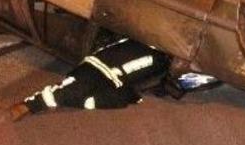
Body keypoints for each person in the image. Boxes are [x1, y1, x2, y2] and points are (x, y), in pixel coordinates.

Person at [10, 37, 174, 121]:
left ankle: (32, 105)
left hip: (114, 80)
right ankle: (29, 105)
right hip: (97, 67)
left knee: (116, 99)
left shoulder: (160, 59)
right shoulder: (141, 41)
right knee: (72, 91)